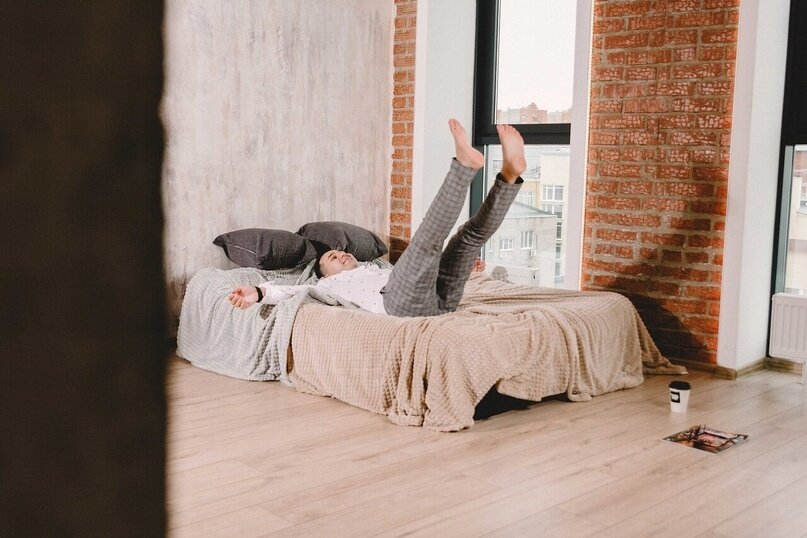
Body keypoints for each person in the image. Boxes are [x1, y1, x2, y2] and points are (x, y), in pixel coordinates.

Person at [228, 119, 526, 317]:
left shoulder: (377, 267)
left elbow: (418, 275)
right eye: (332, 257)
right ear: (325, 274)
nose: (341, 254)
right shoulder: (325, 287)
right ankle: (463, 167)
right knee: (427, 242)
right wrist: (257, 293)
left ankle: (509, 176)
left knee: (466, 240)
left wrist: (461, 268)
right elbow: (291, 291)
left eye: (340, 252)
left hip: (440, 301)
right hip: (396, 303)